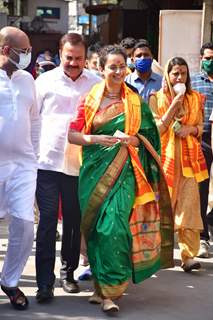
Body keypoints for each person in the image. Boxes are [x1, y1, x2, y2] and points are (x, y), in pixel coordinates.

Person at [68, 45, 174, 314]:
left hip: (125, 170)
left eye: (121, 66)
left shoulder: (135, 102)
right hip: (93, 171)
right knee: (94, 229)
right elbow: (73, 135)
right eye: (111, 67)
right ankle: (101, 288)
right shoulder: (89, 100)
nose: (117, 71)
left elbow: (149, 136)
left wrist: (132, 139)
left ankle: (111, 292)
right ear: (101, 69)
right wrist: (94, 138)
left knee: (114, 227)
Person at [35, 33, 101, 303]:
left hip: (79, 164)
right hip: (47, 162)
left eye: (79, 59)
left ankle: (68, 272)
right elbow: (33, 120)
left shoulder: (96, 84)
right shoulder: (44, 82)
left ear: (85, 58)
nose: (74, 63)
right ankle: (44, 283)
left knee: (74, 222)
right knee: (48, 222)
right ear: (60, 54)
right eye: (69, 58)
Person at [149, 57, 208, 272]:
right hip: (165, 161)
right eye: (175, 73)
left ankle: (188, 256)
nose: (179, 77)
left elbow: (200, 126)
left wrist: (190, 130)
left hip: (190, 162)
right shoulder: (158, 98)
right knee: (163, 208)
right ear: (167, 75)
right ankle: (158, 255)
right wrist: (174, 104)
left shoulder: (195, 99)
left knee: (190, 208)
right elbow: (156, 129)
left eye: (183, 73)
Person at [0, 26, 40, 310]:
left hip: (23, 165)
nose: (28, 55)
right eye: (24, 50)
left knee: (25, 226)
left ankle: (10, 281)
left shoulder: (28, 79)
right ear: (5, 50)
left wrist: (33, 158)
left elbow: (35, 121)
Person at [191, 42, 213, 258]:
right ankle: (202, 236)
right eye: (207, 57)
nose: (210, 61)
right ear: (201, 59)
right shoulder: (195, 82)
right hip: (202, 139)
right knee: (202, 189)